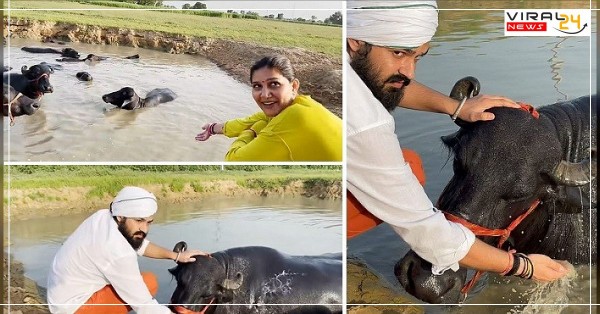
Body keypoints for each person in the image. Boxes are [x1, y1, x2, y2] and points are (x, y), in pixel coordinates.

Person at [346, 0, 569, 283]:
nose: (410, 71)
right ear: (356, 41)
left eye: (417, 57)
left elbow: (385, 81)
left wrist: (456, 107)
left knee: (411, 165)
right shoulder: (366, 124)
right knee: (409, 174)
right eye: (398, 52)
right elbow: (425, 230)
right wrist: (522, 266)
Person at [47, 186, 207, 314]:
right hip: (71, 308)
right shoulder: (116, 252)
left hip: (60, 293)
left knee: (148, 281)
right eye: (139, 221)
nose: (144, 229)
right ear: (120, 217)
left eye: (149, 222)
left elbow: (140, 243)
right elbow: (144, 306)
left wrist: (176, 256)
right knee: (148, 285)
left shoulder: (103, 216)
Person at [195, 55, 342, 161]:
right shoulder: (303, 104)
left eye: (274, 84)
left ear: (294, 86)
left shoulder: (289, 121)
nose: (265, 94)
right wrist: (213, 128)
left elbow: (233, 160)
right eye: (257, 86)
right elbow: (254, 119)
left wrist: (250, 132)